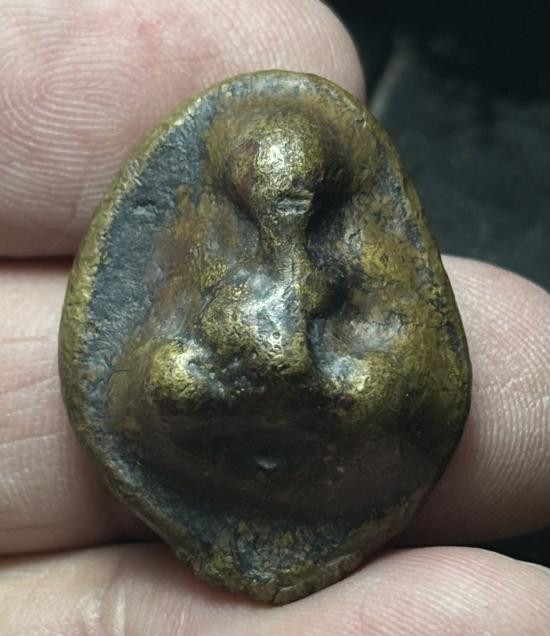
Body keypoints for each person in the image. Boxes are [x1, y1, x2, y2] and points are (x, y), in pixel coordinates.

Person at [0, 1, 548, 633]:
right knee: (166, 383)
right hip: (215, 429)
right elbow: (147, 374)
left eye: (301, 209)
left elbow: (408, 358)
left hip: (335, 431)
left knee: (382, 395)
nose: (284, 237)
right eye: (261, 212)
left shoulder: (360, 260)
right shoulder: (193, 247)